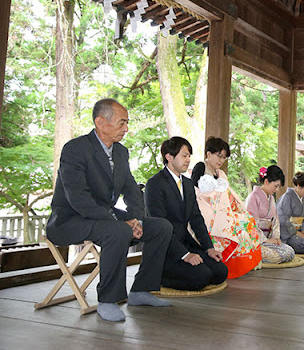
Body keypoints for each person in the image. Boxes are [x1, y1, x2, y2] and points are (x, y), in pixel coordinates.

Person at [46, 99, 172, 322]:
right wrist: (119, 222)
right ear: (101, 122)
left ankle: (140, 290)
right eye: (122, 123)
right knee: (119, 231)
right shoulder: (75, 149)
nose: (126, 129)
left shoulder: (121, 152)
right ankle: (107, 300)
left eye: (127, 123)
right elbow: (78, 198)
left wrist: (135, 219)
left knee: (161, 227)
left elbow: (132, 189)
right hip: (69, 219)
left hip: (105, 217)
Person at [144, 137, 228, 290]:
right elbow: (159, 226)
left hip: (185, 241)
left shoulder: (188, 184)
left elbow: (196, 219)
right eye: (184, 155)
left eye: (189, 156)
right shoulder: (155, 184)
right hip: (165, 247)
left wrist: (209, 248)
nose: (188, 160)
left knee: (220, 271)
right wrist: (185, 255)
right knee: (202, 276)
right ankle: (157, 276)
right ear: (169, 157)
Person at [191, 137, 261, 278]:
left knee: (246, 220)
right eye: (219, 156)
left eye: (223, 157)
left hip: (222, 210)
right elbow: (195, 192)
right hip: (204, 209)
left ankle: (241, 263)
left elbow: (228, 195)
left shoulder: (220, 174)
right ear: (208, 154)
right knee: (233, 224)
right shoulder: (200, 167)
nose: (221, 160)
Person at [245, 165, 295, 264]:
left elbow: (275, 221)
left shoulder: (271, 198)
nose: (276, 190)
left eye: (278, 187)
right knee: (278, 255)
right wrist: (265, 241)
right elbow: (251, 224)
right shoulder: (253, 197)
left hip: (268, 241)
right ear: (266, 181)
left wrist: (275, 238)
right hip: (255, 241)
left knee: (290, 251)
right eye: (275, 186)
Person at [277, 172, 304, 254]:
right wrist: (295, 232)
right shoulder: (287, 197)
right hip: (287, 234)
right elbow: (283, 219)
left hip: (299, 231)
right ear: (299, 186)